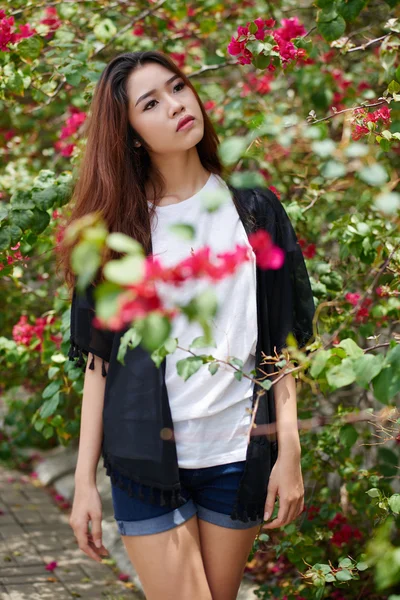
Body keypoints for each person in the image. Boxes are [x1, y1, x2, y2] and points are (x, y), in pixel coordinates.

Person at [60, 50, 315, 600]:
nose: (176, 105)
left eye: (178, 87)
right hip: (144, 461)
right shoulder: (113, 233)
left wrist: (289, 452)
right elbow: (99, 366)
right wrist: (84, 482)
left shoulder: (255, 209)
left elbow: (282, 342)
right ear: (129, 133)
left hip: (237, 456)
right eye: (152, 102)